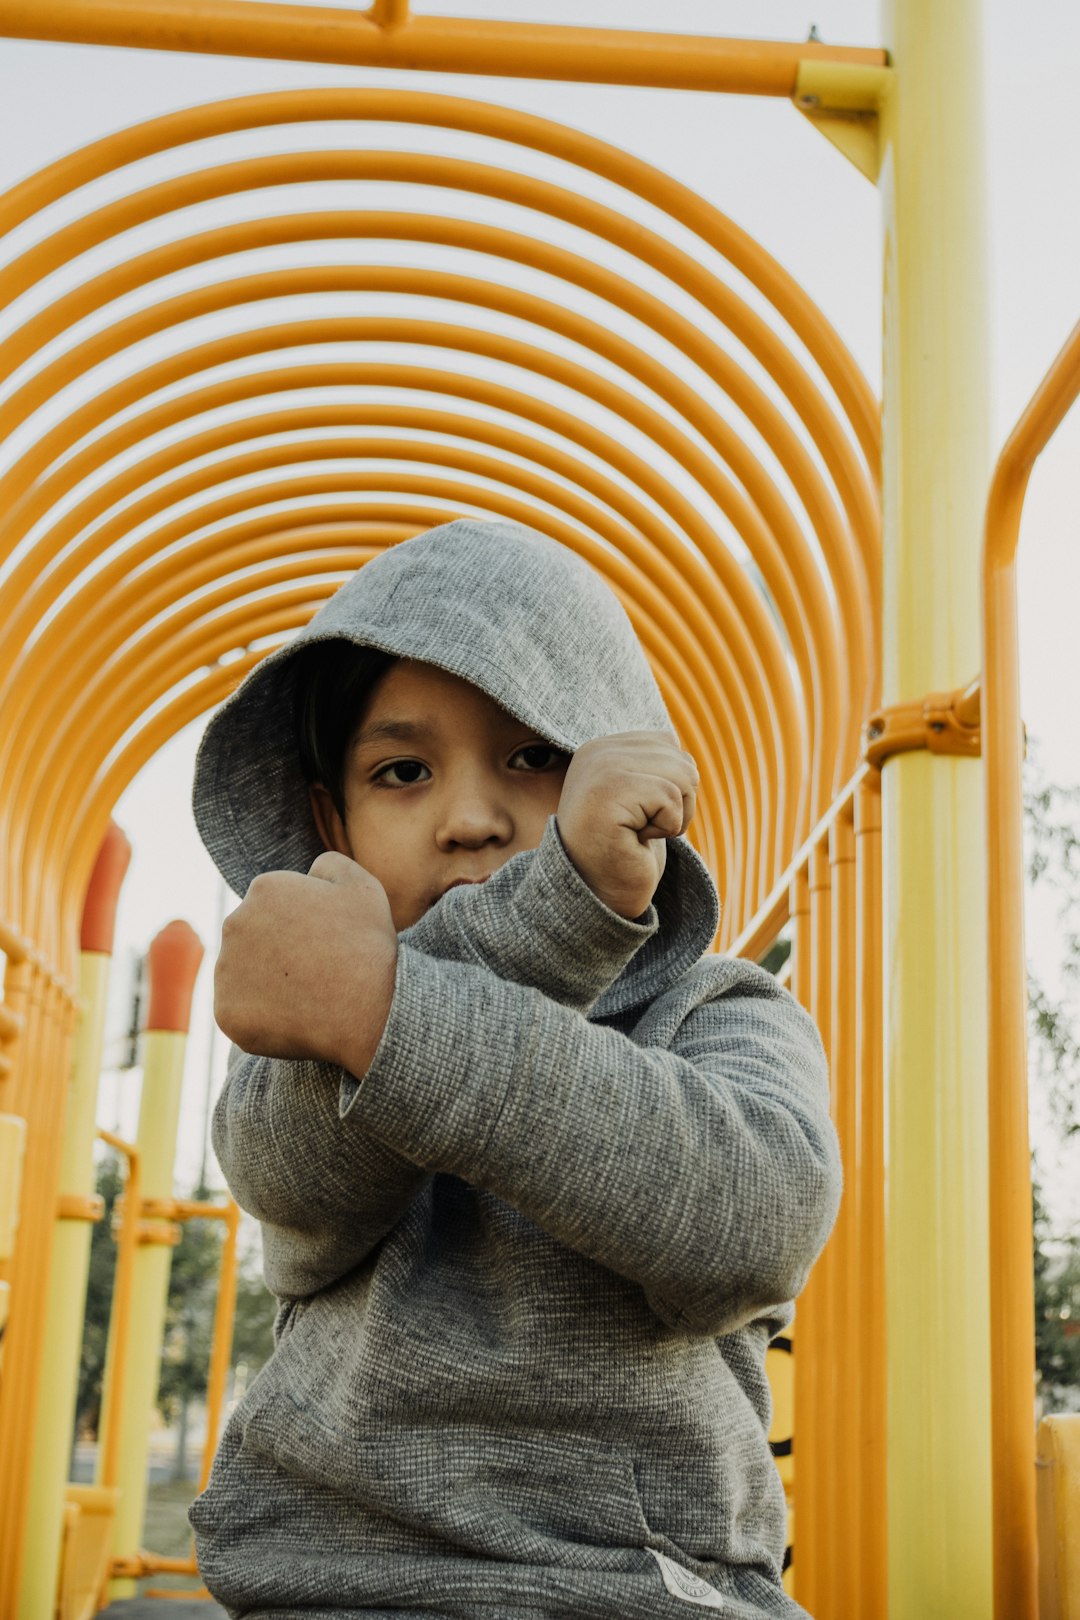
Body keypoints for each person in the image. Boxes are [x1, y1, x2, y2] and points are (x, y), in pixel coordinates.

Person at [189, 517, 841, 1620]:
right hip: (335, 1590)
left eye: (536, 758)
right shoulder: (317, 1051)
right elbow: (287, 1173)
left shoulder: (716, 1008)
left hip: (643, 1592)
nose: (474, 819)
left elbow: (752, 1225)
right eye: (402, 771)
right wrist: (376, 1009)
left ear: (631, 785)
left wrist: (462, 973)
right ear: (328, 824)